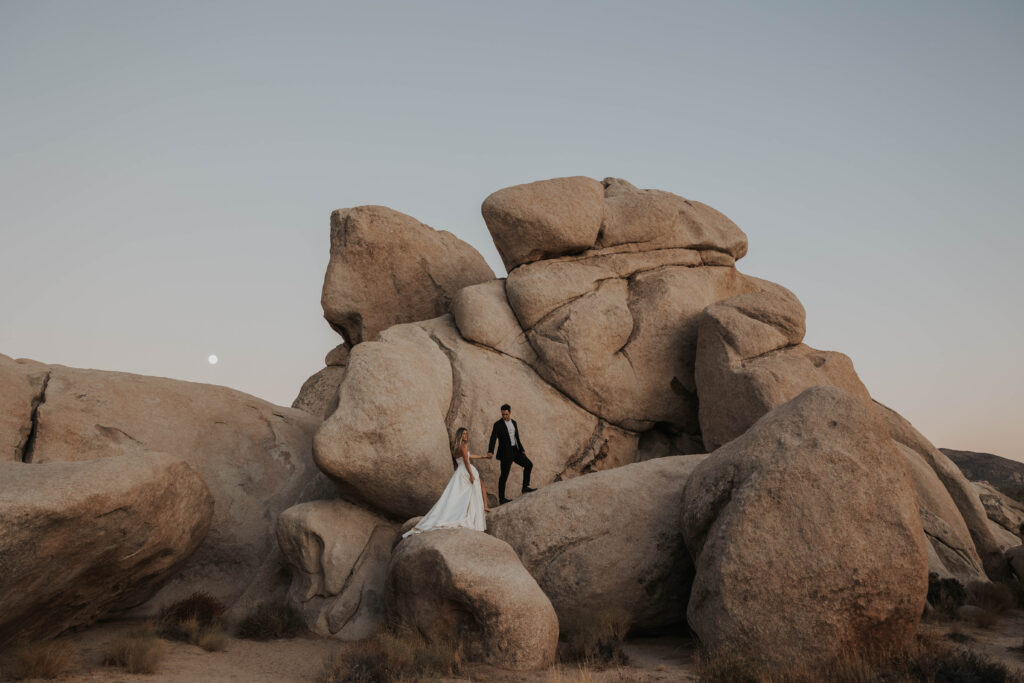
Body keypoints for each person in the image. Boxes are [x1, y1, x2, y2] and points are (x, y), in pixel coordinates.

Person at [402, 427, 492, 537]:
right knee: (468, 492)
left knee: (465, 493)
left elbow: (468, 456)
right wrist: (471, 475)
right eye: (463, 434)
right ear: (460, 435)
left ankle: (479, 508)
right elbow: (466, 461)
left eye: (466, 434)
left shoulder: (458, 447)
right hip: (465, 471)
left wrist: (482, 456)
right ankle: (474, 512)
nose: (466, 435)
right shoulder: (462, 446)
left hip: (460, 472)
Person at [487, 403, 535, 504]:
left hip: (515, 451)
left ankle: (525, 487)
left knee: (529, 465)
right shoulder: (498, 424)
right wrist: (490, 451)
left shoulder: (514, 423)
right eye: (503, 414)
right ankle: (502, 499)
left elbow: (517, 438)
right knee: (504, 476)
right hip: (505, 454)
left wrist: (522, 450)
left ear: (510, 412)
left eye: (506, 414)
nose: (504, 416)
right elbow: (493, 438)